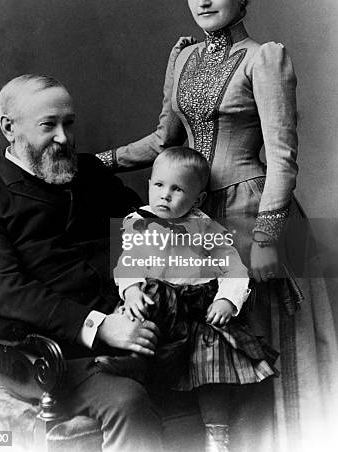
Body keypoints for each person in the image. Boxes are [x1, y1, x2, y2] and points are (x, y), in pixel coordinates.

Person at [96, 0, 338, 451]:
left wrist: (269, 239)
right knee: (210, 356)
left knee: (262, 348)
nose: (203, 1)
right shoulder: (182, 58)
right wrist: (101, 161)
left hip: (255, 212)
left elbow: (283, 160)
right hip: (195, 218)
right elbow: (163, 143)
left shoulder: (265, 58)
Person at [0, 74, 164, 452]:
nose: (63, 138)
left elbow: (143, 229)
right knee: (127, 402)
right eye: (48, 126)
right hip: (49, 357)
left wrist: (138, 289)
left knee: (221, 371)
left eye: (68, 123)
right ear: (9, 128)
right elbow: (7, 293)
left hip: (135, 330)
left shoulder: (91, 174)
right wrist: (101, 327)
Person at [101, 146, 278, 452]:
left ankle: (217, 434)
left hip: (198, 310)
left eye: (177, 189)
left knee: (212, 364)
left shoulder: (206, 228)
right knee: (144, 302)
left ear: (198, 200)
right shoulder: (136, 221)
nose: (164, 196)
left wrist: (227, 300)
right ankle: (132, 363)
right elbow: (126, 262)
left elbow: (234, 268)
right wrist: (130, 290)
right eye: (158, 185)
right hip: (160, 307)